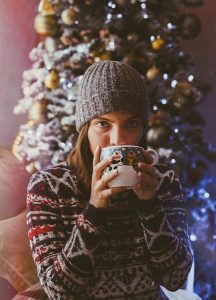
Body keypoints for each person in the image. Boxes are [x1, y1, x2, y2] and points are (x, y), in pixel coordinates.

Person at [26, 60, 193, 300]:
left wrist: (150, 206)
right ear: (85, 128)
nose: (118, 139)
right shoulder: (48, 187)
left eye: (131, 124)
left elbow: (175, 278)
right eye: (103, 124)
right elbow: (58, 291)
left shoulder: (163, 181)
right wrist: (94, 212)